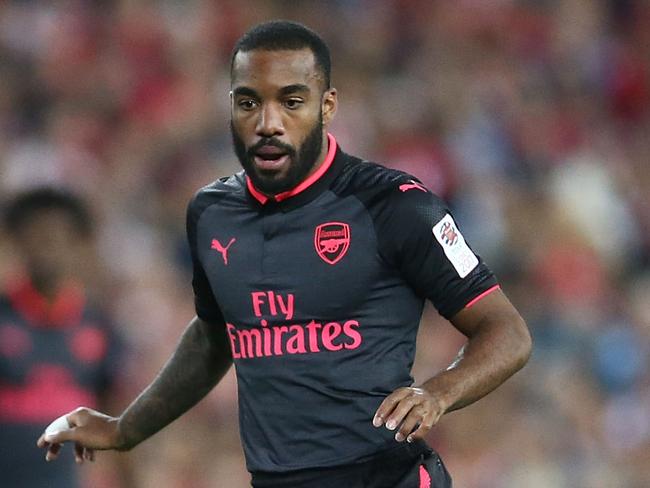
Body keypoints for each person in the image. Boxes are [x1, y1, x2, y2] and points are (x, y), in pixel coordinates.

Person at [38, 21, 532, 487]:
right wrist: (126, 430)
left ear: (327, 105)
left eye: (291, 101)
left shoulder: (395, 206)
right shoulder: (211, 213)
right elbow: (215, 337)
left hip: (387, 476)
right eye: (249, 103)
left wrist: (439, 392)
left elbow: (506, 331)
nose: (268, 123)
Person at [0, 187, 125, 487]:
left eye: (57, 235)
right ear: (18, 240)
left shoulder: (99, 325)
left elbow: (117, 419)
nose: (47, 245)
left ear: (78, 244)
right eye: (37, 234)